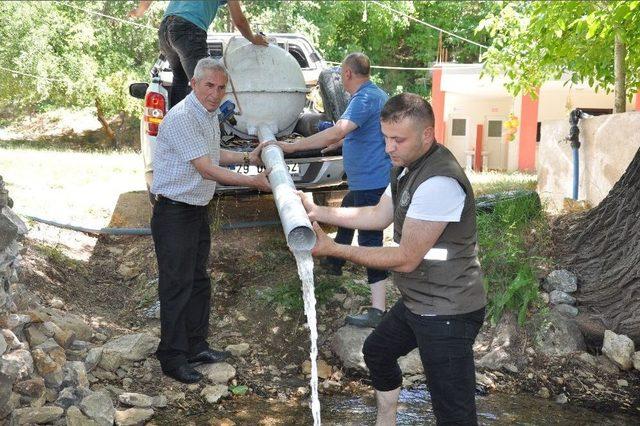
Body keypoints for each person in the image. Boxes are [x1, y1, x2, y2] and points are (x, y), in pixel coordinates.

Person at [299, 93, 487, 425]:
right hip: (419, 301)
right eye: (385, 138)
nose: (389, 148)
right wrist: (319, 211)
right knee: (378, 351)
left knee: (454, 413)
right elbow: (377, 215)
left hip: (448, 310)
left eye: (397, 139)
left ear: (427, 135)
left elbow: (405, 258)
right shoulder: (404, 167)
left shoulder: (440, 180)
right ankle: (386, 420)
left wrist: (335, 249)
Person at [150, 57, 271, 384]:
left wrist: (248, 156)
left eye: (221, 88)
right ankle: (172, 357)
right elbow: (206, 168)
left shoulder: (207, 114)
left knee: (198, 280)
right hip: (174, 212)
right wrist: (253, 181)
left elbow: (214, 155)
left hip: (194, 209)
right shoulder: (184, 117)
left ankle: (195, 345)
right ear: (193, 83)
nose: (215, 94)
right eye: (209, 86)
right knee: (176, 285)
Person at [274, 52, 392, 328]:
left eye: (341, 75)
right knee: (348, 208)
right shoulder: (376, 94)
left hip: (371, 181)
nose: (341, 81)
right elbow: (364, 134)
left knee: (370, 241)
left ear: (348, 74)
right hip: (369, 180)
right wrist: (339, 145)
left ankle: (378, 309)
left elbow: (337, 130)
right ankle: (335, 263)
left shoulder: (363, 99)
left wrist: (291, 147)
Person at [129, 0, 268, 108]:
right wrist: (253, 38)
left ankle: (177, 132)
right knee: (208, 86)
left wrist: (140, 11)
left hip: (165, 29)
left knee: (180, 80)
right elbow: (240, 21)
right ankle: (206, 137)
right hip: (187, 29)